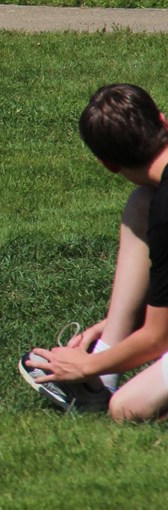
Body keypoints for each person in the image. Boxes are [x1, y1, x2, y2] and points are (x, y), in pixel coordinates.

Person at [20, 83, 168, 420]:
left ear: (108, 164)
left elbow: (157, 339)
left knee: (128, 407)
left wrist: (85, 365)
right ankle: (104, 372)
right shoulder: (156, 204)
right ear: (163, 120)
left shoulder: (165, 212)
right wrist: (114, 327)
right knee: (141, 203)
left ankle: (99, 377)